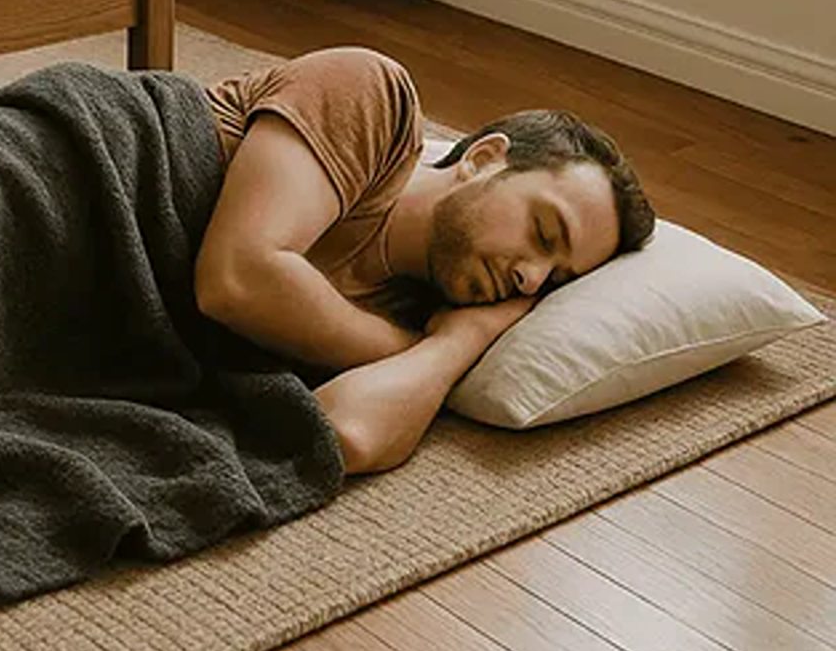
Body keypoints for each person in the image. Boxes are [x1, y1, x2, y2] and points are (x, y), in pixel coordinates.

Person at [194, 47, 655, 476]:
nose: (531, 279)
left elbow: (341, 439)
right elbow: (237, 279)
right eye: (544, 232)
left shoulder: (414, 313)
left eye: (555, 279)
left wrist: (457, 343)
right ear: (483, 159)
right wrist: (405, 347)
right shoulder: (372, 96)